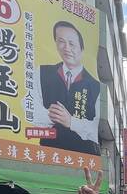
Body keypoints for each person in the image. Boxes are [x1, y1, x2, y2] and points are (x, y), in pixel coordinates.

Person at [35, 21, 101, 155]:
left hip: (83, 159)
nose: (66, 48)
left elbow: (95, 129)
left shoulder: (95, 86)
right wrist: (50, 116)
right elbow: (29, 106)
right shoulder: (42, 72)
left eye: (71, 44)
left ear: (82, 49)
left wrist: (71, 121)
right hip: (46, 154)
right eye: (61, 41)